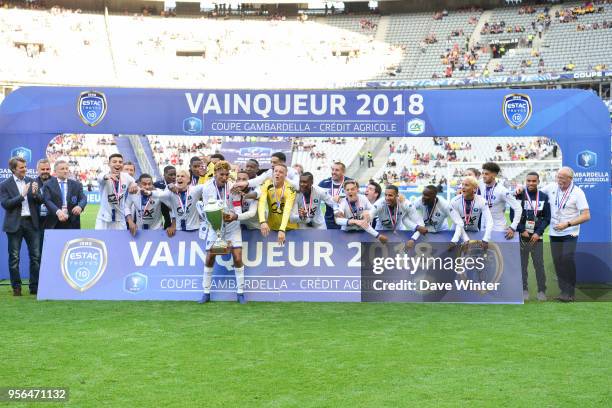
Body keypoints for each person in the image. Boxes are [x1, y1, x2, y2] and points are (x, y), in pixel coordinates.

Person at [521, 167, 590, 302]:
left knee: (567, 260)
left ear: (570, 179)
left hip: (570, 232)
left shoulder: (578, 193)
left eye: (563, 178)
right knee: (558, 261)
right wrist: (520, 190)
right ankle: (563, 291)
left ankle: (570, 292)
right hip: (554, 233)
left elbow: (586, 216)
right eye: (558, 177)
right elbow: (534, 192)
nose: (559, 181)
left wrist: (568, 224)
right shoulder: (552, 187)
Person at [198, 161, 249, 304]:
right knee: (209, 258)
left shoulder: (233, 187)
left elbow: (238, 209)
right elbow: (209, 210)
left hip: (232, 226)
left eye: (227, 174)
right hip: (216, 227)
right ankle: (206, 293)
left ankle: (240, 293)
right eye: (221, 174)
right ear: (215, 174)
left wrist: (233, 216)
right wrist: (219, 220)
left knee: (238, 258)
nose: (224, 177)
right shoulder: (207, 187)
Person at [0, 157, 44, 295]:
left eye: (25, 166)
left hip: (32, 223)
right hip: (14, 224)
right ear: (14, 169)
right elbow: (6, 204)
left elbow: (40, 201)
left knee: (36, 256)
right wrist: (22, 195)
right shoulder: (4, 185)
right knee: (14, 257)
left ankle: (34, 287)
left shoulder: (32, 181)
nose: (25, 169)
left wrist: (36, 194)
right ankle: (17, 287)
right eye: (21, 167)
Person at [510, 172, 551, 301]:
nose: (531, 183)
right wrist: (521, 230)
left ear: (538, 181)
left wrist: (538, 232)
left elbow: (547, 218)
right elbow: (513, 215)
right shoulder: (518, 196)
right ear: (525, 181)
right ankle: (524, 290)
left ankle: (542, 290)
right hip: (522, 236)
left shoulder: (544, 196)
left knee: (539, 264)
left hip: (536, 237)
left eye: (534, 181)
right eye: (529, 181)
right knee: (522, 265)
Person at [258, 163, 297, 245]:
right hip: (271, 227)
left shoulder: (290, 189)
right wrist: (262, 221)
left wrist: (282, 229)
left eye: (281, 172)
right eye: (275, 171)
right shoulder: (267, 184)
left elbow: (287, 210)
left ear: (286, 174)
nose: (277, 173)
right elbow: (261, 202)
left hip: (289, 228)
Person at [480, 162, 522, 239]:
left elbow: (518, 208)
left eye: (486, 174)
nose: (483, 176)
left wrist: (513, 227)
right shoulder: (481, 184)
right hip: (483, 228)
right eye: (482, 173)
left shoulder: (502, 191)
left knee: (497, 251)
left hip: (497, 229)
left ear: (494, 175)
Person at [95, 154, 137, 230]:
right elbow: (99, 177)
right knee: (100, 241)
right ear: (109, 164)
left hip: (120, 220)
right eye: (114, 162)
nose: (117, 164)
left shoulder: (126, 177)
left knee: (120, 242)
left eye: (120, 162)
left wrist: (133, 184)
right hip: (103, 219)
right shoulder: (104, 176)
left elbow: (133, 181)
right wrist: (106, 176)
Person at [449, 177, 493, 247]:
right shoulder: (454, 201)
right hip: (456, 233)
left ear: (474, 188)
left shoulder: (482, 201)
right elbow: (459, 223)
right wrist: (465, 238)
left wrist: (486, 239)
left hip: (474, 233)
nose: (463, 187)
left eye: (466, 185)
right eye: (462, 185)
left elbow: (489, 221)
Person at [42, 160, 87, 230]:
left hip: (72, 222)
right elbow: (47, 200)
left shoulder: (77, 184)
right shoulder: (48, 184)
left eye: (67, 168)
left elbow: (83, 198)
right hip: (54, 222)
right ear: (55, 171)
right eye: (62, 169)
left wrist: (80, 206)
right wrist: (58, 212)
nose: (65, 171)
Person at [233, 152, 299, 191]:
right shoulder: (270, 172)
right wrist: (243, 183)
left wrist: (284, 178)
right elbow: (258, 180)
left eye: (275, 162)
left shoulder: (293, 171)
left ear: (283, 162)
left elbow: (297, 186)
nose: (272, 165)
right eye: (271, 162)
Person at [318, 162, 353, 229]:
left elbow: (356, 199)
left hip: (346, 219)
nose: (333, 172)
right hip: (329, 220)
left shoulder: (350, 182)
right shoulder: (324, 183)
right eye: (333, 169)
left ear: (343, 172)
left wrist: (342, 198)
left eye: (337, 170)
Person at [153, 165, 176, 229]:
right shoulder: (157, 185)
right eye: (171, 175)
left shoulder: (178, 185)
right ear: (164, 175)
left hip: (176, 213)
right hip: (162, 215)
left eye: (175, 174)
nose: (174, 177)